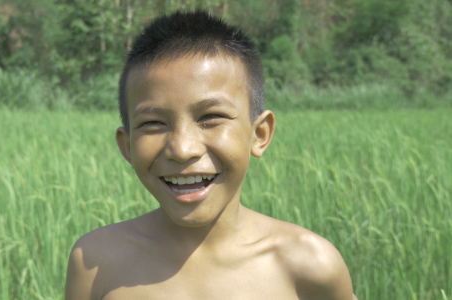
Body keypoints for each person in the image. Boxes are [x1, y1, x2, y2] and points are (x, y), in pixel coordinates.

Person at [65, 11, 357, 300]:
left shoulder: (309, 266)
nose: (182, 149)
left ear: (259, 135)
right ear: (127, 146)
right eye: (153, 123)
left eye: (211, 117)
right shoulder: (96, 263)